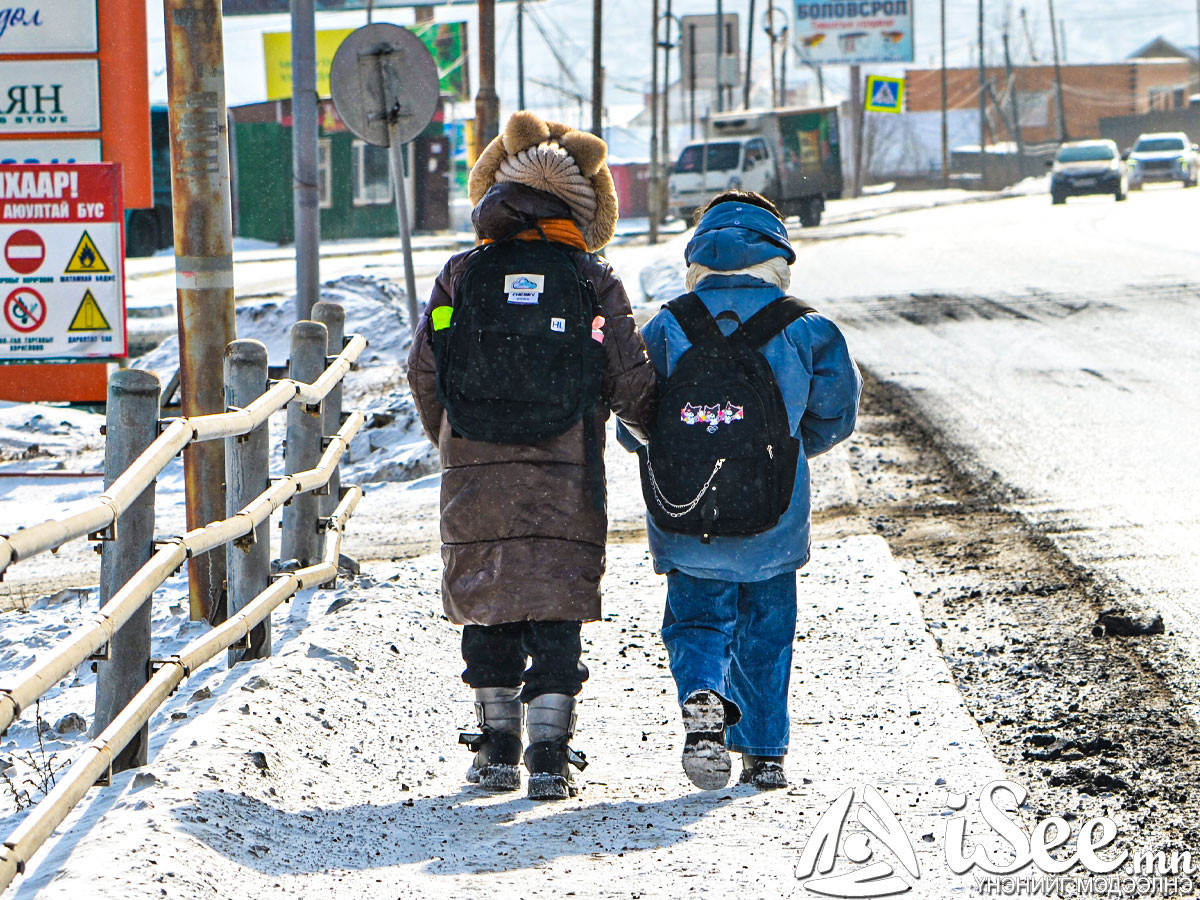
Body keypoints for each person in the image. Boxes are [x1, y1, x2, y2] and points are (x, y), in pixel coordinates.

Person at [406, 111, 657, 801]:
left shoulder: (462, 273)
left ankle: (495, 747)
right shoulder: (589, 279)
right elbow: (625, 372)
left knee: (489, 598)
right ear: (583, 204)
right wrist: (652, 430)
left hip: (475, 468)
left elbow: (427, 368)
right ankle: (548, 752)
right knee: (554, 599)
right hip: (566, 465)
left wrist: (455, 440)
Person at [618, 190, 861, 791]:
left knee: (697, 619)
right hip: (773, 512)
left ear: (698, 255)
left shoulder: (668, 326)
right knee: (767, 627)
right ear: (777, 254)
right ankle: (763, 748)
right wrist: (783, 450)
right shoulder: (806, 328)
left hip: (687, 508)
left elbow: (635, 423)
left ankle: (703, 691)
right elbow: (837, 415)